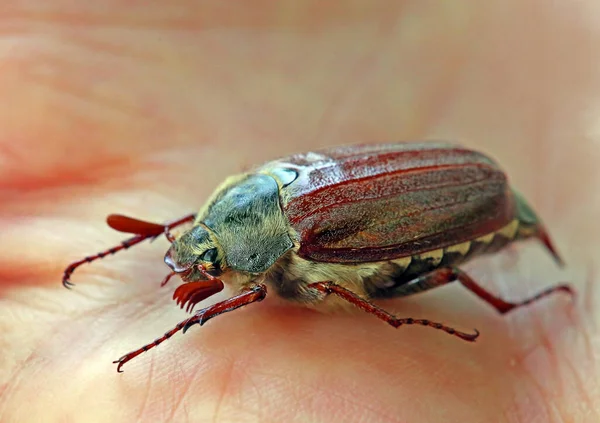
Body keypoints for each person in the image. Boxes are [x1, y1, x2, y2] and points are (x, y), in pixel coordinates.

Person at [1, 2, 598, 422]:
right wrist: (183, 237)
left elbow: (258, 291)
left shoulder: (304, 248)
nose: (193, 258)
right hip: (460, 167)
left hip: (471, 205)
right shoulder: (262, 182)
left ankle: (498, 305)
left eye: (204, 250)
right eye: (198, 241)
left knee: (444, 274)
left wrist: (186, 324)